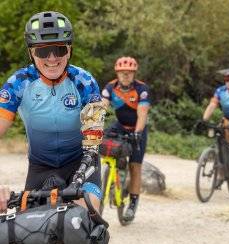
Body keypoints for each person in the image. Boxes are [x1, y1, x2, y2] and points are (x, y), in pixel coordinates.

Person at [0, 11, 106, 213]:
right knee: (23, 232)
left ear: (69, 50)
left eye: (59, 49)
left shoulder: (84, 80)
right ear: (31, 52)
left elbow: (93, 139)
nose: (52, 58)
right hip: (40, 166)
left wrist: (83, 183)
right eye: (42, 51)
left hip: (81, 162)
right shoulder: (18, 83)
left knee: (84, 218)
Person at [102, 56, 150, 221]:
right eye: (122, 73)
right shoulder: (110, 87)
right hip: (120, 125)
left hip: (138, 128)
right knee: (104, 145)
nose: (125, 75)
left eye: (129, 73)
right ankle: (110, 176)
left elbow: (142, 112)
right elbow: (102, 107)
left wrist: (137, 132)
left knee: (135, 166)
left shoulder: (141, 89)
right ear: (117, 73)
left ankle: (132, 204)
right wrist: (93, 125)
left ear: (134, 73)